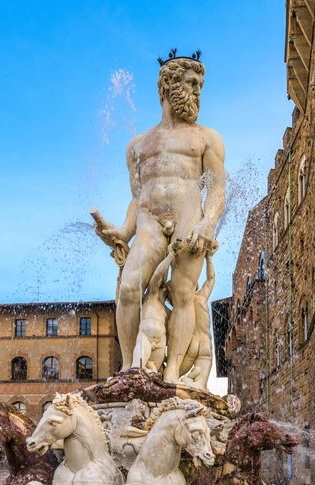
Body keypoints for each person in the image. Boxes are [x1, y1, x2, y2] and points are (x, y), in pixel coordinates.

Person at [94, 52, 226, 382]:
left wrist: (208, 222)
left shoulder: (206, 137)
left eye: (200, 86)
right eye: (192, 83)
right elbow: (137, 197)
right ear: (168, 86)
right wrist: (124, 231)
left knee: (182, 294)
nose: (197, 92)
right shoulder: (138, 145)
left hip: (189, 217)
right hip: (150, 221)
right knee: (129, 289)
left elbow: (218, 188)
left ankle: (171, 375)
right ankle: (129, 370)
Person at [131, 241, 183, 371]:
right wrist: (170, 255)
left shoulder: (168, 311)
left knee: (155, 375)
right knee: (137, 369)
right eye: (164, 287)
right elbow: (157, 274)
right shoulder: (152, 295)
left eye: (168, 289)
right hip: (145, 338)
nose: (165, 289)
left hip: (160, 342)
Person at [179, 240, 218, 388]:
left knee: (173, 375)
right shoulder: (200, 297)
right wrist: (209, 257)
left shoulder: (182, 303)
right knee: (201, 386)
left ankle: (185, 379)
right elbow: (211, 279)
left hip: (192, 343)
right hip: (205, 342)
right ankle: (189, 380)